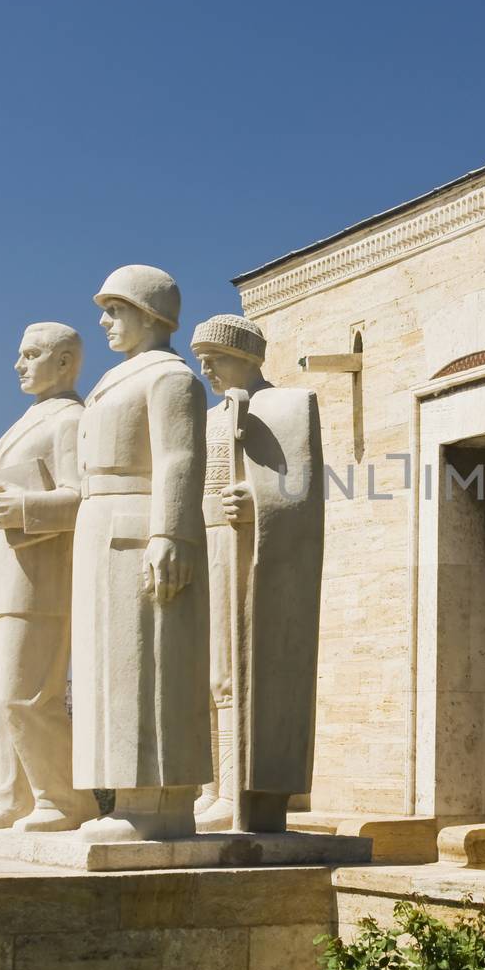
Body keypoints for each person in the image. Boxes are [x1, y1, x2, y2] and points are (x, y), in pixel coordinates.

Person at [70, 265, 211, 842]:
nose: (105, 322)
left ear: (150, 314)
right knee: (110, 669)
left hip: (141, 525)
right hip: (101, 524)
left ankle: (157, 804)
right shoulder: (119, 378)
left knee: (149, 666)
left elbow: (180, 458)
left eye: (116, 309)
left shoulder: (171, 379)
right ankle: (124, 797)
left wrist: (170, 534)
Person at [0, 322, 99, 833]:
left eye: (32, 354)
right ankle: (14, 797)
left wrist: (24, 506)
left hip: (41, 578)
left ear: (65, 361)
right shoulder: (29, 418)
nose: (20, 364)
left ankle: (64, 800)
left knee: (26, 694)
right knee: (2, 698)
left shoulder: (71, 421)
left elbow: (85, 496)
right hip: (3, 577)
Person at [191, 313, 324, 833]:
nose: (206, 369)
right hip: (206, 541)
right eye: (201, 359)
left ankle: (236, 789)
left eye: (215, 358)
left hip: (245, 547)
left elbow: (304, 488)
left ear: (244, 355)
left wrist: (257, 500)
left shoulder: (287, 405)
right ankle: (209, 789)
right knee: (205, 672)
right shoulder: (207, 417)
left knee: (232, 670)